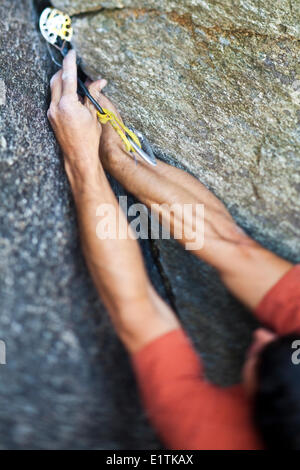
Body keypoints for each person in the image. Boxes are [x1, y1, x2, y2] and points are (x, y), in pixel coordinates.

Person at [47, 49, 300, 450]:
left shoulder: (213, 438)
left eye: (261, 359)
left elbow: (138, 312)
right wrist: (117, 155)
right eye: (286, 338)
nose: (263, 335)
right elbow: (230, 246)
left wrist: (80, 159)